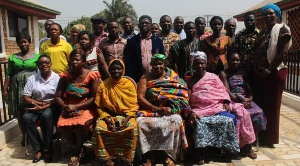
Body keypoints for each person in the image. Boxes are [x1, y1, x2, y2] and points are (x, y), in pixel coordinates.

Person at [188, 52, 257, 161]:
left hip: (216, 106)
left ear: (206, 64)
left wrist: (225, 101)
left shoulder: (213, 77)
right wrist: (191, 111)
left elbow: (222, 90)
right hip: (200, 109)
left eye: (202, 63)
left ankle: (232, 149)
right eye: (197, 64)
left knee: (232, 118)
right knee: (200, 123)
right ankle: (203, 152)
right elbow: (188, 98)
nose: (200, 66)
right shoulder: (190, 80)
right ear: (193, 65)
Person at [137, 54, 190, 166]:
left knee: (175, 120)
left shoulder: (173, 76)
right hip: (151, 109)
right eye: (155, 64)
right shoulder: (145, 78)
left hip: (171, 109)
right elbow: (140, 97)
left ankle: (169, 156)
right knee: (140, 122)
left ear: (164, 64)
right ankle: (149, 155)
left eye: (160, 63)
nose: (158, 66)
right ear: (151, 65)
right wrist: (155, 108)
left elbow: (182, 92)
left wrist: (171, 108)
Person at [254, 4, 292, 147]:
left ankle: (270, 138)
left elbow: (282, 53)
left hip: (275, 72)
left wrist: (268, 70)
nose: (268, 16)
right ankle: (261, 135)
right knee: (262, 104)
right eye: (265, 14)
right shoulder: (263, 32)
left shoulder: (282, 29)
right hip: (262, 74)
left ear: (277, 15)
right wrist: (257, 70)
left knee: (273, 106)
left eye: (271, 14)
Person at [55, 49, 101, 165]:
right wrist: (65, 107)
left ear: (84, 61)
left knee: (81, 125)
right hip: (68, 107)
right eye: (72, 60)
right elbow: (57, 96)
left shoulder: (92, 75)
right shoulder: (65, 76)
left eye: (77, 59)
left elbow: (93, 98)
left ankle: (76, 152)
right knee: (61, 127)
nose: (74, 62)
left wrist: (76, 107)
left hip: (86, 107)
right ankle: (80, 148)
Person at [92, 59, 139, 166]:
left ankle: (126, 159)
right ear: (109, 70)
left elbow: (134, 106)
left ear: (123, 70)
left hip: (126, 116)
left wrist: (125, 121)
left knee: (132, 129)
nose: (116, 71)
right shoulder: (103, 85)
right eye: (113, 69)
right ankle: (107, 158)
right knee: (99, 129)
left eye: (119, 68)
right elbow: (99, 106)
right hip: (108, 116)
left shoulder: (129, 84)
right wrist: (108, 121)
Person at [2, 33, 39, 147]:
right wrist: (5, 89)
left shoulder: (37, 57)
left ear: (29, 42)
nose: (23, 44)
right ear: (18, 43)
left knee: (31, 111)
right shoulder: (13, 57)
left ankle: (33, 136)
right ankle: (24, 136)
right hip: (17, 88)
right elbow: (9, 74)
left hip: (32, 86)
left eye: (25, 41)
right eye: (21, 42)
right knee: (20, 113)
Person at [22, 55, 60, 163]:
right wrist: (40, 104)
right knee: (26, 118)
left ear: (51, 64)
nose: (44, 65)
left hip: (53, 106)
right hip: (36, 106)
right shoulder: (32, 79)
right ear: (38, 65)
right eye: (41, 63)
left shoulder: (57, 78)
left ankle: (48, 149)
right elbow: (25, 97)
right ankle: (38, 149)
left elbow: (59, 97)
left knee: (46, 115)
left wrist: (45, 106)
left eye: (47, 62)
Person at [219, 52, 267, 136]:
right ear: (228, 61)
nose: (235, 62)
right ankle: (240, 141)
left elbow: (250, 89)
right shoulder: (224, 73)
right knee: (240, 115)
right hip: (232, 100)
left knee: (259, 112)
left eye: (237, 60)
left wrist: (249, 99)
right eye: (232, 60)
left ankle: (252, 140)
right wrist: (241, 103)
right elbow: (227, 91)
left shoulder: (243, 73)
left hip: (245, 100)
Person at [124, 15, 165, 83]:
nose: (144, 25)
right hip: (138, 77)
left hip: (155, 77)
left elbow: (162, 59)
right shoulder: (132, 41)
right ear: (138, 25)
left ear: (151, 25)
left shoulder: (158, 41)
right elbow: (129, 62)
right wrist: (131, 79)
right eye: (142, 23)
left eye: (146, 23)